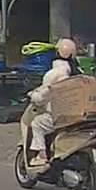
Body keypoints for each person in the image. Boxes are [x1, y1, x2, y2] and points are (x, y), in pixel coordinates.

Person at [26, 38, 79, 166]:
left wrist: (33, 96)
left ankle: (41, 156)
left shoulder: (54, 74)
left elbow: (42, 97)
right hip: (77, 115)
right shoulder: (78, 73)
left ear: (57, 53)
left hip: (59, 117)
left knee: (37, 124)